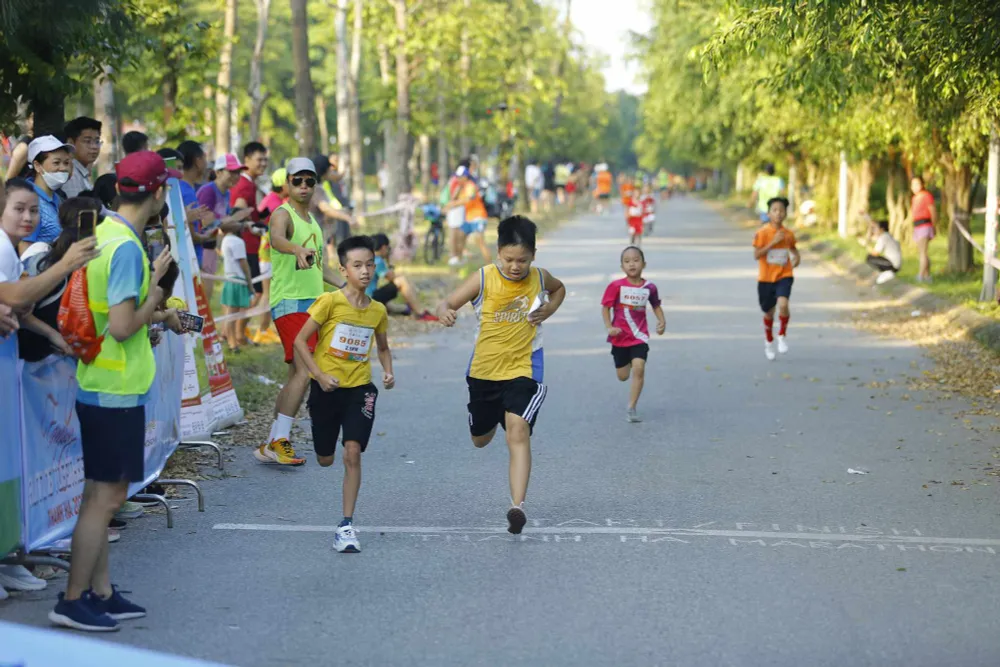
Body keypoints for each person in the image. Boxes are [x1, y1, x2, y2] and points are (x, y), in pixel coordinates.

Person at [49, 151, 183, 632]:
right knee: (106, 498)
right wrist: (156, 296)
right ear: (159, 192)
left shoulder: (103, 231)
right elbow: (125, 326)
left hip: (98, 384)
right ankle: (71, 600)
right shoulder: (124, 246)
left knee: (97, 495)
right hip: (115, 389)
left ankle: (100, 591)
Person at [437, 215, 566, 534]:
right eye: (509, 259)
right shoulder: (483, 278)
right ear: (497, 253)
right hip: (484, 371)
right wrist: (446, 312)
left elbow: (559, 289)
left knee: (518, 431)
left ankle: (517, 507)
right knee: (480, 439)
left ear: (534, 255)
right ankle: (491, 420)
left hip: (525, 367)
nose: (515, 266)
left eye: (522, 260)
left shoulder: (539, 277)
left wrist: (549, 308)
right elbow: (447, 302)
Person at [293, 235, 395, 553]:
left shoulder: (378, 309)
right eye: (357, 265)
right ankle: (325, 449)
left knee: (352, 452)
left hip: (360, 389)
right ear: (343, 269)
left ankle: (346, 525)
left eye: (369, 265)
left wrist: (388, 369)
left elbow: (382, 346)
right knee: (326, 459)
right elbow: (300, 341)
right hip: (326, 389)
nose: (365, 271)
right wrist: (320, 376)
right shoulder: (329, 302)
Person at [256, 158, 346, 466]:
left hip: (312, 303)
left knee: (297, 373)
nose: (305, 186)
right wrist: (295, 249)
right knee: (307, 371)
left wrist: (348, 285)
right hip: (291, 303)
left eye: (310, 181)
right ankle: (280, 440)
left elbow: (320, 268)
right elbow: (278, 239)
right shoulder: (283, 214)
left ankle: (272, 441)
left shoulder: (312, 222)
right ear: (287, 184)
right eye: (298, 181)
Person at [17, 197, 104, 362]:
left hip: (53, 363)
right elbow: (19, 309)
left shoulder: (92, 267)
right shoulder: (42, 260)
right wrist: (53, 335)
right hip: (24, 360)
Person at [0, 179, 97, 309]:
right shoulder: (3, 247)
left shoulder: (9, 248)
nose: (28, 217)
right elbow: (16, 298)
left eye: (34, 210)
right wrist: (66, 264)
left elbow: (20, 313)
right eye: (19, 209)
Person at [601, 246, 665, 423]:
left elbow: (656, 305)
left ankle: (631, 407)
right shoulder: (616, 286)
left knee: (639, 367)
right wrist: (609, 327)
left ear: (644, 264)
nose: (632, 264)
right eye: (627, 261)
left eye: (636, 260)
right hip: (620, 338)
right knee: (623, 376)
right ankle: (626, 361)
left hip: (639, 337)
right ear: (622, 266)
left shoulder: (649, 287)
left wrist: (662, 321)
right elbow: (605, 308)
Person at [196, 154, 254, 301]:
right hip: (198, 248)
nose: (236, 176)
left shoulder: (227, 193)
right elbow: (205, 221)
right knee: (200, 297)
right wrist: (236, 219)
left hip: (210, 246)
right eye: (232, 172)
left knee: (205, 298)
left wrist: (242, 224)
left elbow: (223, 223)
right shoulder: (208, 190)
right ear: (218, 172)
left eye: (238, 172)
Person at [752, 197, 799, 361]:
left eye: (781, 210)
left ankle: (782, 335)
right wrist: (773, 242)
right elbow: (757, 255)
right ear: (768, 213)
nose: (778, 213)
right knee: (768, 313)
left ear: (786, 213)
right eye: (775, 210)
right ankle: (769, 340)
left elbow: (793, 249)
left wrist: (796, 258)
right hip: (765, 278)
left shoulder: (789, 234)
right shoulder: (762, 233)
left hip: (784, 275)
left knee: (783, 304)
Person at [230, 142, 269, 333]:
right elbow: (238, 211)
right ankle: (236, 333)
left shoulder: (248, 183)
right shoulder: (244, 185)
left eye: (265, 160)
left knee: (246, 291)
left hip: (248, 245)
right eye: (259, 159)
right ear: (246, 160)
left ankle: (235, 334)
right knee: (256, 291)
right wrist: (254, 226)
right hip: (246, 246)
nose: (263, 163)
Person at [20, 135, 74, 251]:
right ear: (37, 166)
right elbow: (25, 253)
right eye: (56, 163)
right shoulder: (29, 202)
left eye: (66, 163)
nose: (63, 168)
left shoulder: (58, 200)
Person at [367, 233, 438, 321]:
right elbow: (391, 277)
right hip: (368, 299)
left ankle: (407, 309)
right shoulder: (377, 260)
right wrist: (389, 262)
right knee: (402, 281)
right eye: (388, 248)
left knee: (392, 307)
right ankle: (420, 313)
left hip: (360, 299)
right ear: (384, 247)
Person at [310, 155, 356, 259]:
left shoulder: (315, 185)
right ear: (324, 170)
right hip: (310, 238)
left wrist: (342, 212)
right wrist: (348, 218)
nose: (331, 170)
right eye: (329, 168)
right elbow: (326, 209)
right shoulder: (315, 188)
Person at [220, 222, 254, 352]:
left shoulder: (225, 240)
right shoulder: (237, 241)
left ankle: (232, 341)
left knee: (233, 312)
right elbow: (243, 262)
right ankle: (233, 344)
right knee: (233, 314)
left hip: (230, 278)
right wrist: (250, 283)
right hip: (237, 280)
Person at [62, 117, 102, 198]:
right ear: (71, 143)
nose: (94, 147)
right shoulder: (71, 176)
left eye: (97, 141)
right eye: (87, 141)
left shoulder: (80, 172)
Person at [909, 176, 937, 282]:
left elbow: (933, 212)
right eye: (913, 184)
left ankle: (920, 275)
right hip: (917, 226)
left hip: (925, 225)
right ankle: (927, 275)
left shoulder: (927, 196)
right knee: (922, 252)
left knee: (923, 252)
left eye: (917, 184)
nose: (915, 187)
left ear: (922, 184)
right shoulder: (914, 198)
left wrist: (934, 226)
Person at [864, 217, 902, 285]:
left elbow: (875, 253)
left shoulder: (883, 237)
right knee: (874, 258)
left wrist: (866, 246)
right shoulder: (889, 236)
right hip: (896, 264)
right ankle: (884, 272)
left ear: (881, 229)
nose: (875, 230)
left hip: (892, 265)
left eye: (876, 228)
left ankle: (888, 272)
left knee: (869, 258)